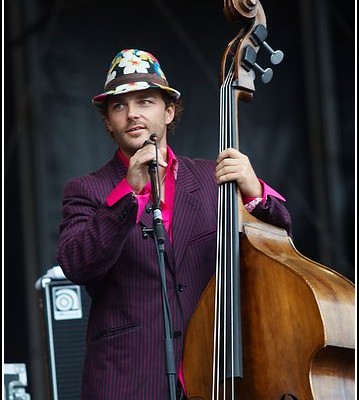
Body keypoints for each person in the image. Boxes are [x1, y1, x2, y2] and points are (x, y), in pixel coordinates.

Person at [56, 48, 292, 400]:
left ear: (168, 112)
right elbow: (77, 264)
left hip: (217, 371)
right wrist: (130, 193)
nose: (133, 114)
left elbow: (282, 235)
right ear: (108, 121)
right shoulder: (86, 190)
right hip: (129, 380)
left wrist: (254, 189)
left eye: (146, 101)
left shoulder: (214, 180)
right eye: (119, 106)